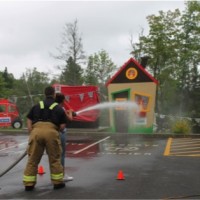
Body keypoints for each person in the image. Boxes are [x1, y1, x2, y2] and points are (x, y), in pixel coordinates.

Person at [23, 86, 68, 191]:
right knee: (55, 158)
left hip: (36, 131)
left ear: (44, 94)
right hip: (51, 132)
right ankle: (57, 183)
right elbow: (62, 126)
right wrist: (56, 131)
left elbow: (29, 119)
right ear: (54, 95)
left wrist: (32, 131)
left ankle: (29, 184)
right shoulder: (58, 108)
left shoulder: (37, 105)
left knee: (33, 159)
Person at [55, 93, 75, 182]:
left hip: (53, 133)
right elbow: (70, 119)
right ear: (63, 100)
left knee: (55, 155)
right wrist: (70, 112)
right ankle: (62, 175)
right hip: (61, 133)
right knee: (62, 155)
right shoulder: (62, 108)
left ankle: (56, 174)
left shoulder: (54, 108)